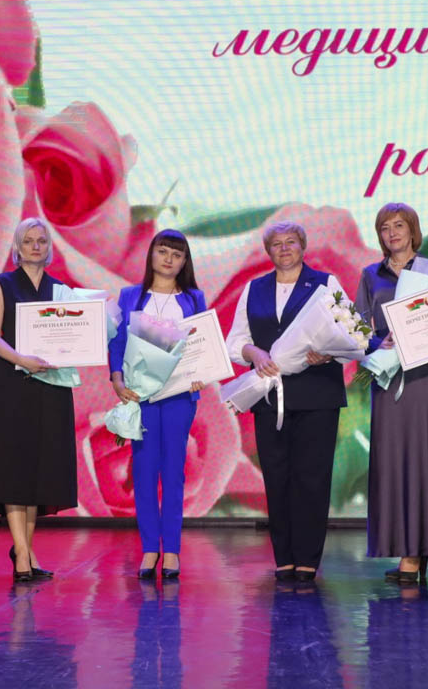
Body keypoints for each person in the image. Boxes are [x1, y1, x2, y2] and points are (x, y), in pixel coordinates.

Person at [226, 221, 347, 581]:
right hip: (269, 396)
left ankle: (308, 557)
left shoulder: (326, 283)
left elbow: (352, 332)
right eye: (276, 243)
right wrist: (254, 352)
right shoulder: (254, 289)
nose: (284, 248)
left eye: (291, 242)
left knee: (312, 477)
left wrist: (329, 353)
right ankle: (284, 557)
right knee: (276, 477)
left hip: (317, 394)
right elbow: (235, 342)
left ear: (303, 246)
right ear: (268, 251)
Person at [355, 203, 428, 584]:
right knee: (393, 462)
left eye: (399, 225)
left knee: (422, 459)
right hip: (388, 377)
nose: (392, 233)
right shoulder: (371, 275)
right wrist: (375, 344)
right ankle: (404, 546)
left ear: (413, 230)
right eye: (385, 228)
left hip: (424, 376)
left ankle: (414, 554)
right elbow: (357, 327)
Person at [0, 218, 77, 582]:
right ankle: (21, 553)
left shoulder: (61, 290)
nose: (35, 246)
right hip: (13, 386)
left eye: (41, 240)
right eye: (28, 240)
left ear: (49, 247)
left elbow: (74, 334)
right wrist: (21, 359)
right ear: (17, 247)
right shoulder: (1, 283)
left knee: (38, 470)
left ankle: (26, 549)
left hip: (51, 387)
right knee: (14, 468)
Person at [109, 230, 207, 581]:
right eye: (163, 251)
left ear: (184, 261)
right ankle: (150, 548)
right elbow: (117, 341)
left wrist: (200, 373)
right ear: (151, 254)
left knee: (174, 471)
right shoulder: (130, 296)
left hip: (180, 395)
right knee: (145, 471)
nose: (168, 259)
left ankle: (173, 551)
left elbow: (202, 342)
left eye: (176, 254)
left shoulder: (194, 298)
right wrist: (117, 378)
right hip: (141, 395)